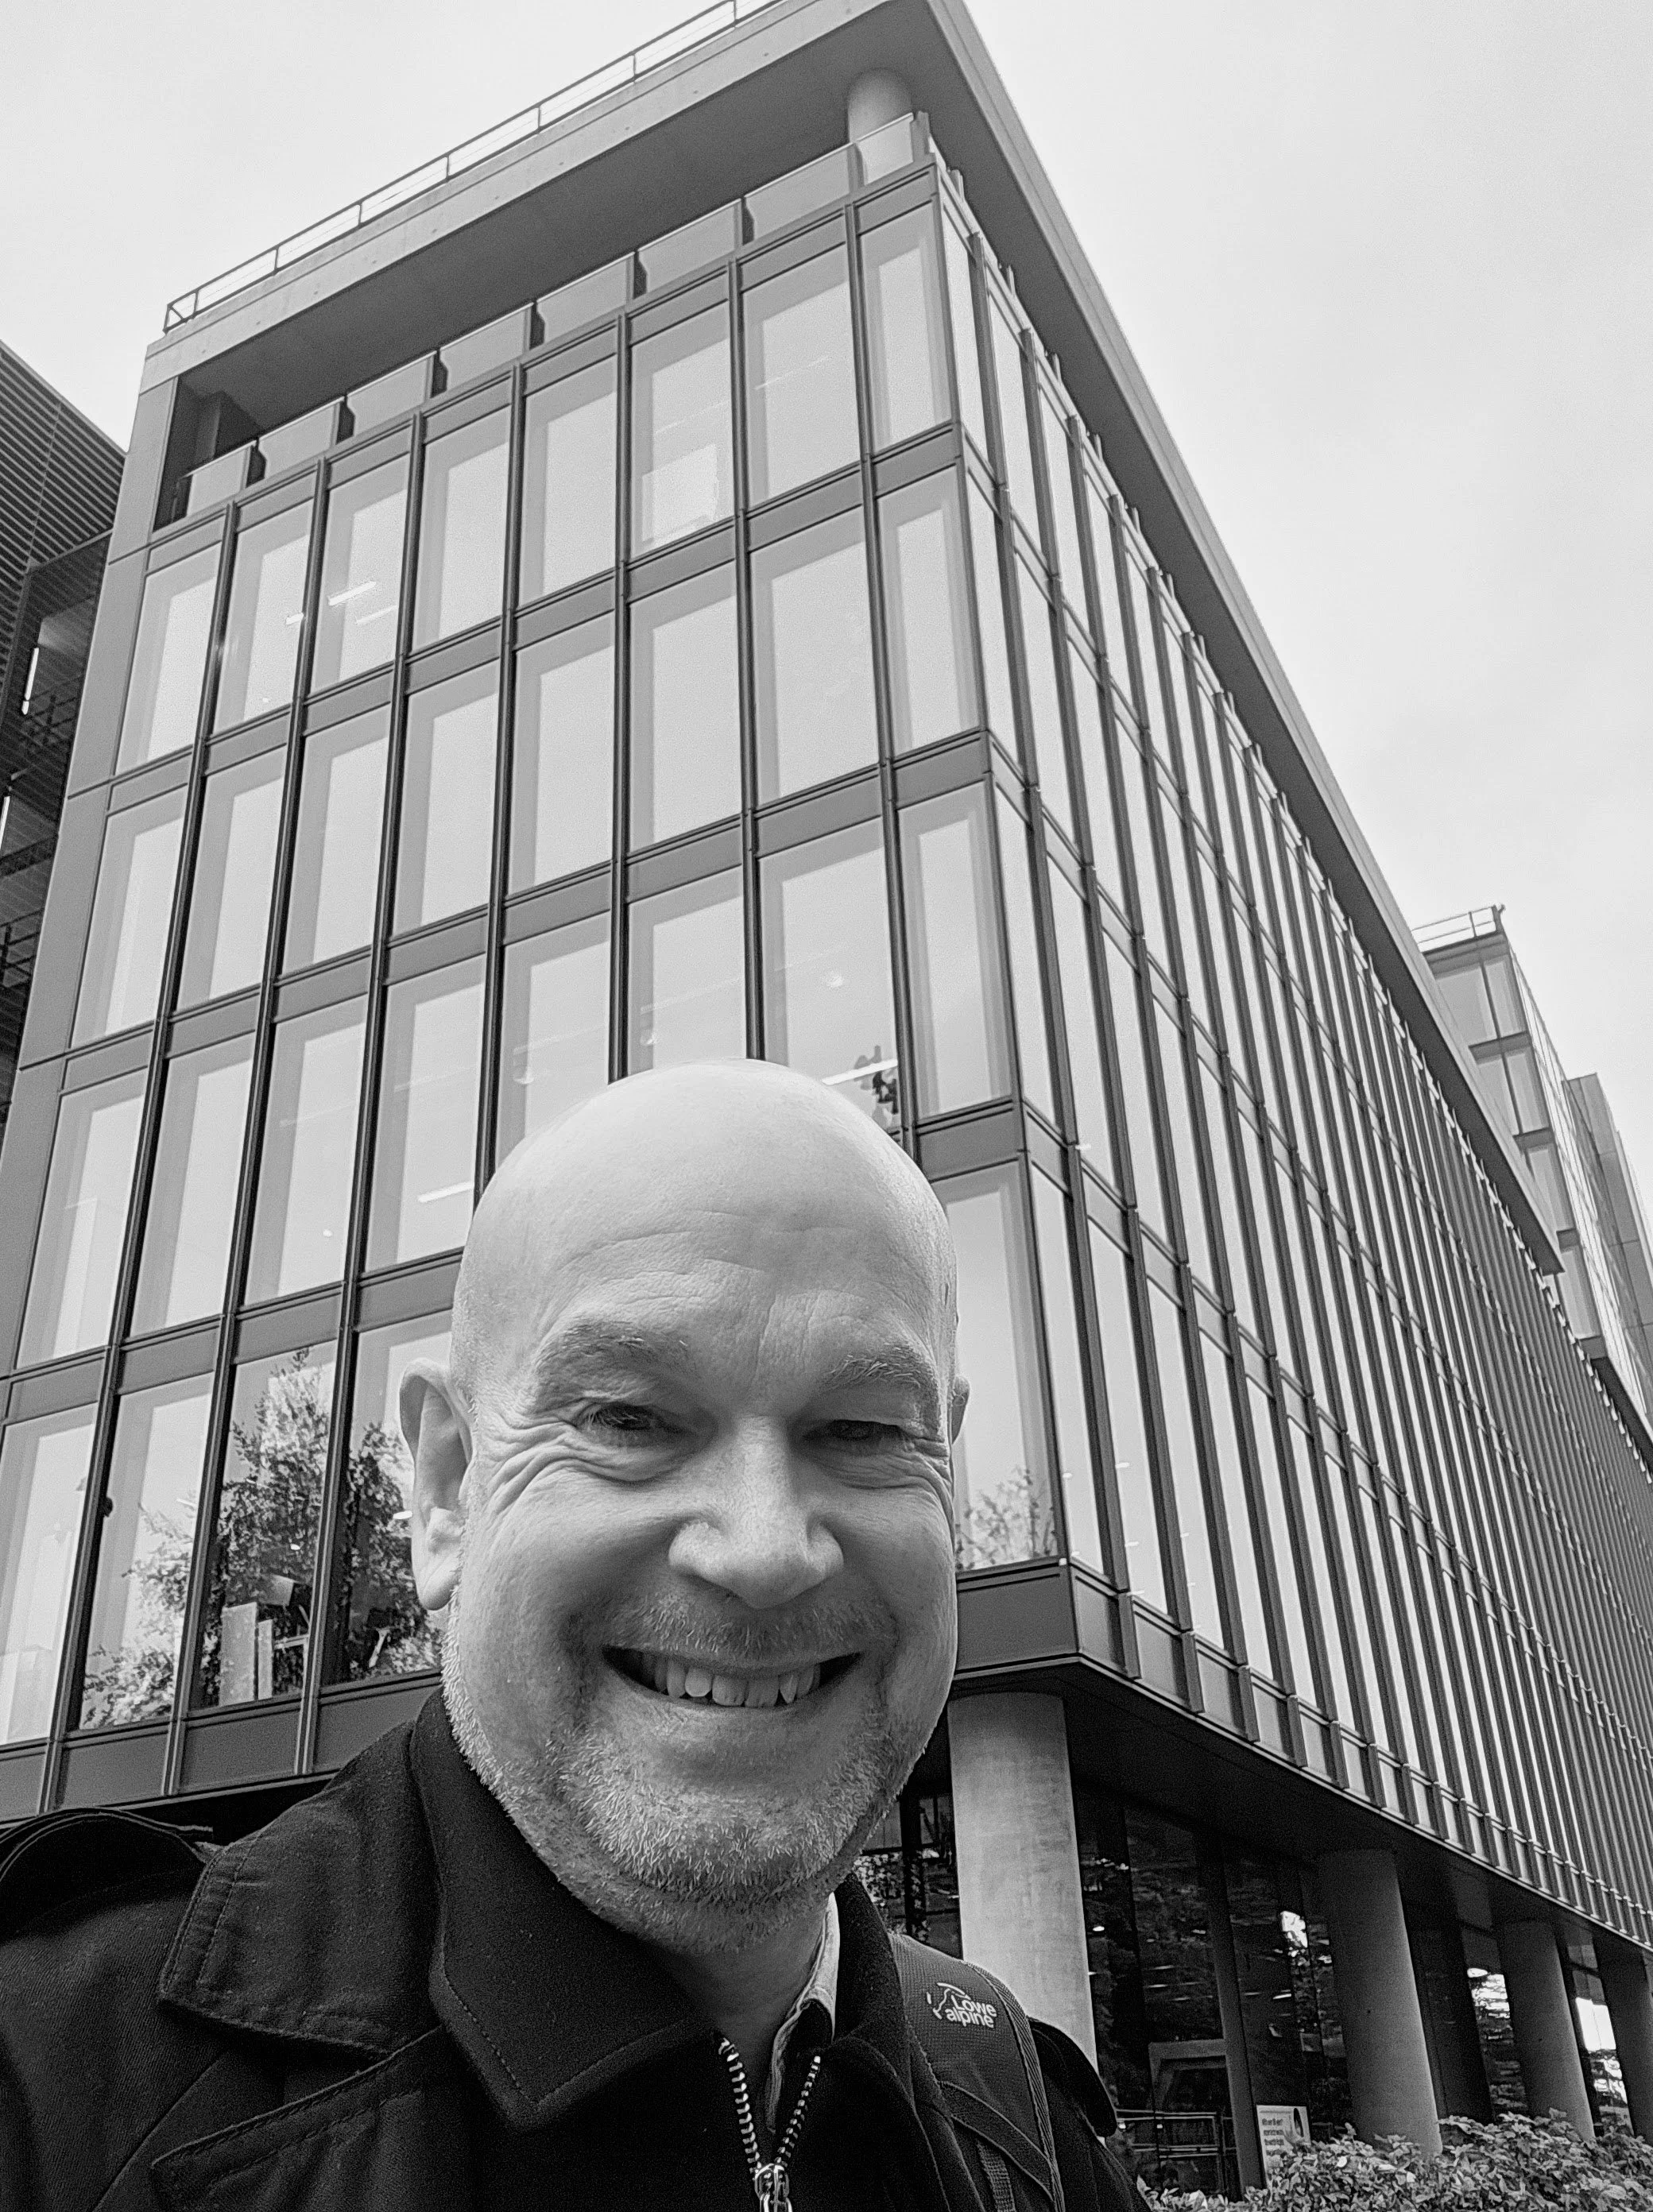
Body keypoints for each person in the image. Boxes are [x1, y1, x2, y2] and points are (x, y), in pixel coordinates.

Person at [0, 1062, 1134, 2211]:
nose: (760, 1551)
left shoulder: (1024, 2125)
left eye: (863, 1429)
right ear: (448, 1490)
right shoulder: (51, 2087)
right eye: (630, 1419)